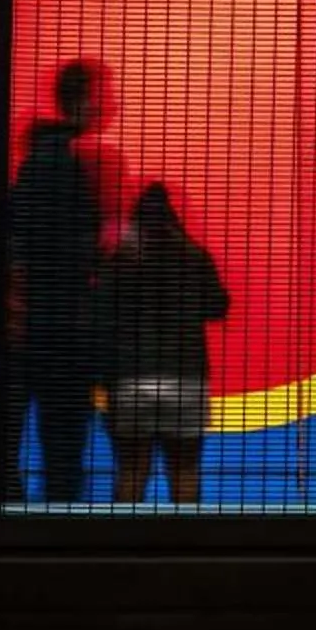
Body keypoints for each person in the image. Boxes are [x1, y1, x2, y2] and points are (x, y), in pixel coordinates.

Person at [9, 59, 124, 503]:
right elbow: (102, 243)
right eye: (107, 94)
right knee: (64, 451)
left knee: (16, 448)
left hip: (29, 326)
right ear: (86, 100)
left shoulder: (32, 159)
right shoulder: (90, 158)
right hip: (68, 329)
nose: (115, 104)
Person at [99, 182, 231, 506]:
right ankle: (185, 546)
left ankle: (125, 547)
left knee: (131, 469)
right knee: (184, 468)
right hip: (185, 377)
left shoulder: (121, 262)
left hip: (130, 378)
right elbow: (218, 305)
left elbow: (102, 311)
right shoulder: (195, 256)